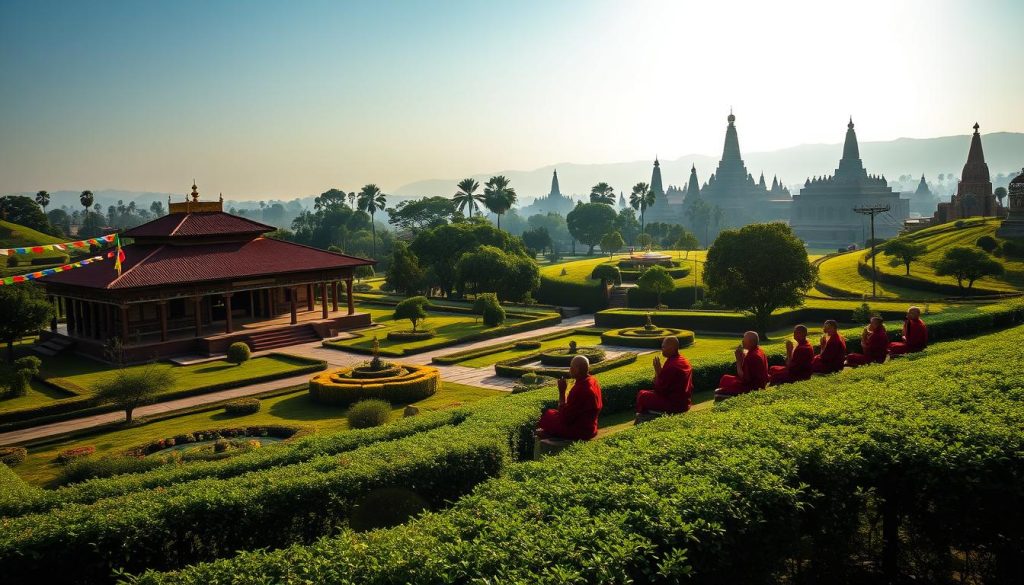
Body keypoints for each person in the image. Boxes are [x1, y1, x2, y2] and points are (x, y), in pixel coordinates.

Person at [537, 355, 603, 440]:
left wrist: (562, 392)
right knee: (552, 413)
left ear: (577, 369)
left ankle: (553, 435)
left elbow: (564, 418)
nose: (569, 369)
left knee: (547, 416)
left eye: (571, 367)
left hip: (581, 432)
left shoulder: (579, 389)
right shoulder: (593, 381)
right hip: (591, 427)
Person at [635, 336, 693, 415]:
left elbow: (660, 390)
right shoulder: (683, 360)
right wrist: (660, 372)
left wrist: (658, 371)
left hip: (675, 405)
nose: (662, 349)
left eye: (663, 347)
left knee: (642, 395)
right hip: (685, 402)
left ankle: (643, 416)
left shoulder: (672, 365)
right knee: (645, 393)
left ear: (671, 348)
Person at [715, 331, 769, 398]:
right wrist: (743, 358)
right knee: (725, 378)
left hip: (752, 387)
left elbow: (744, 378)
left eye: (745, 340)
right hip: (760, 384)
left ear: (752, 342)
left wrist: (738, 361)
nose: (742, 341)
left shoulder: (752, 356)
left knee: (721, 388)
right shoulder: (760, 351)